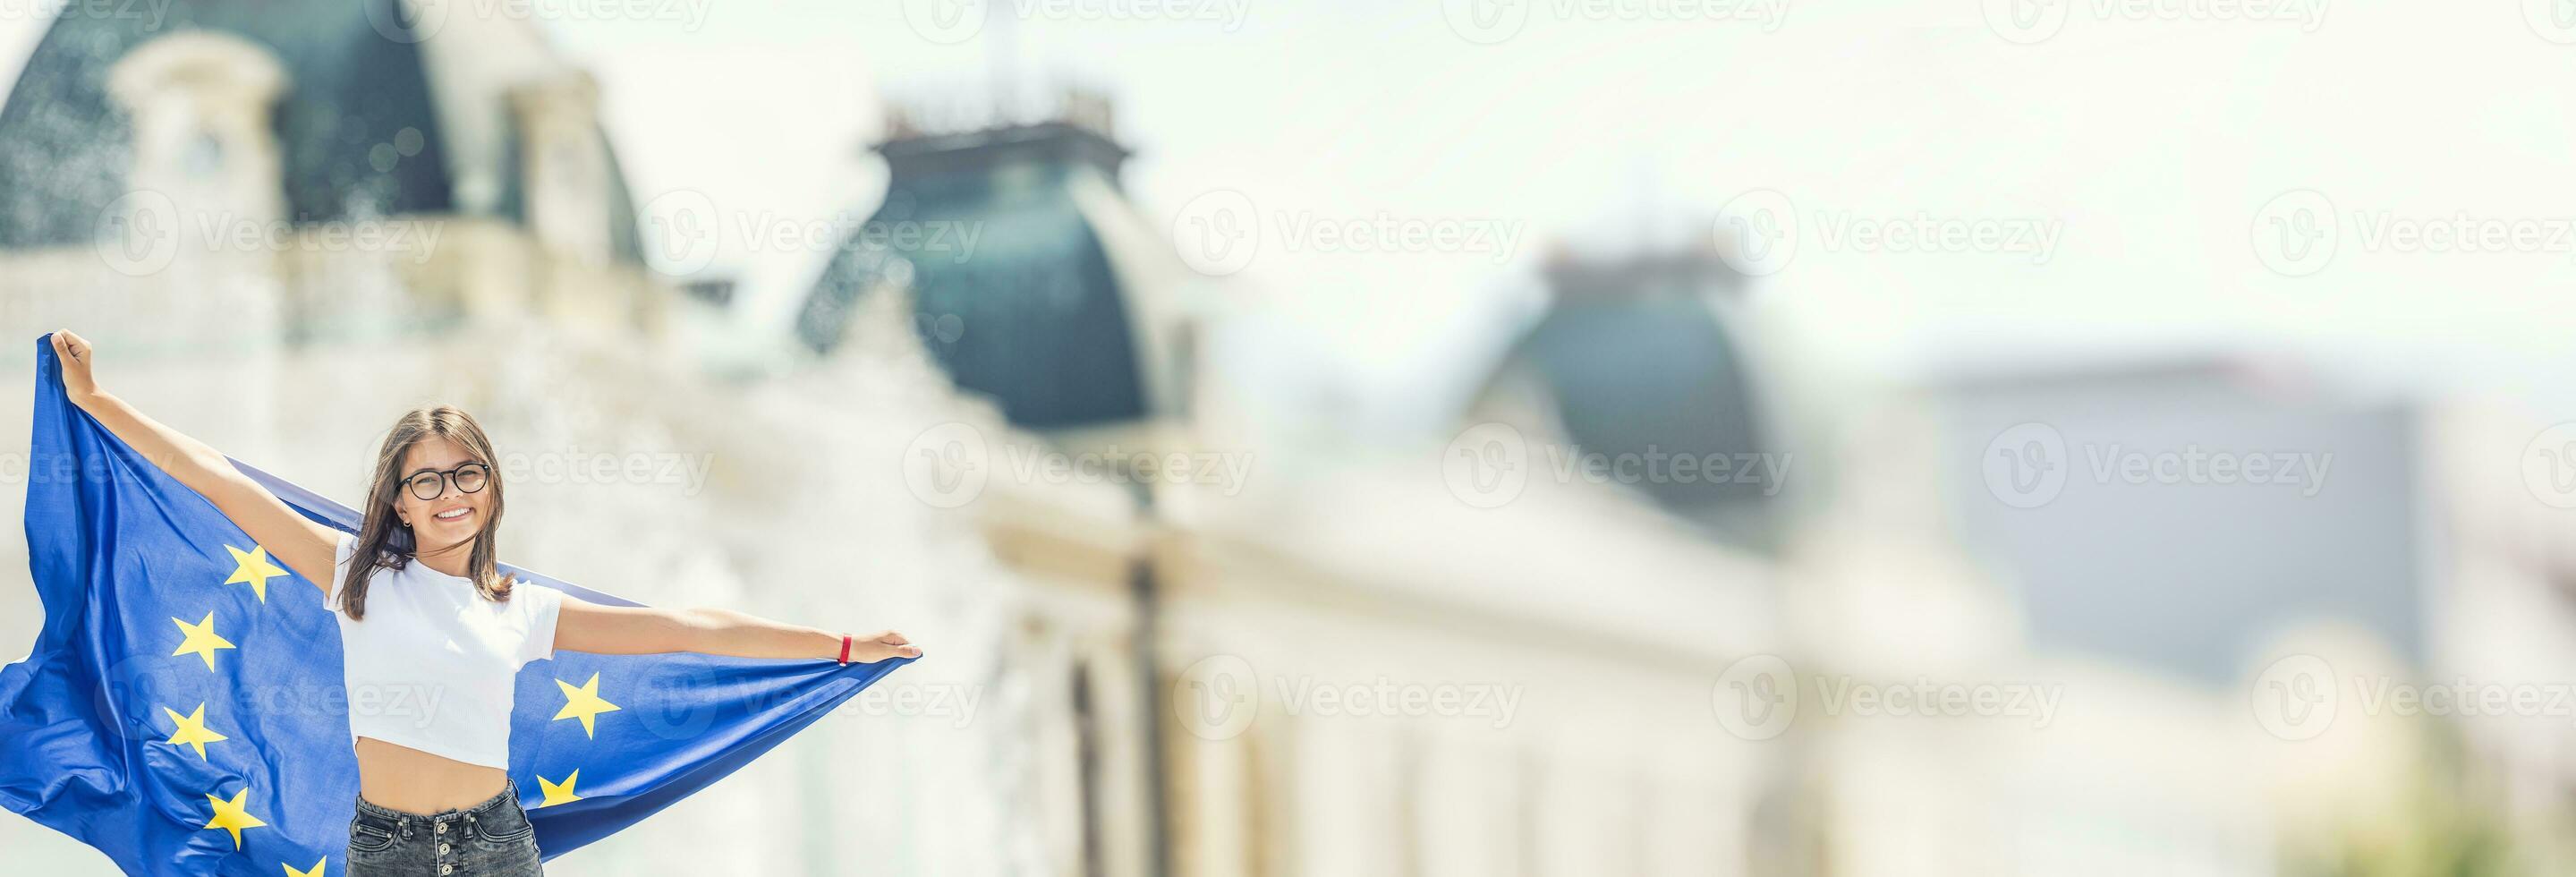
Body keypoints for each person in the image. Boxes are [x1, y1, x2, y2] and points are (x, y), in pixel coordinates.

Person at [46, 329, 921, 876]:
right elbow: (217, 478)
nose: (449, 492)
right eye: (424, 478)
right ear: (396, 497)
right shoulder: (355, 575)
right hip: (386, 847)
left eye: (465, 473)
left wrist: (843, 644)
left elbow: (686, 626)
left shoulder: (520, 606)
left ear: (491, 489)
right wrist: (96, 399)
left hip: (496, 846)